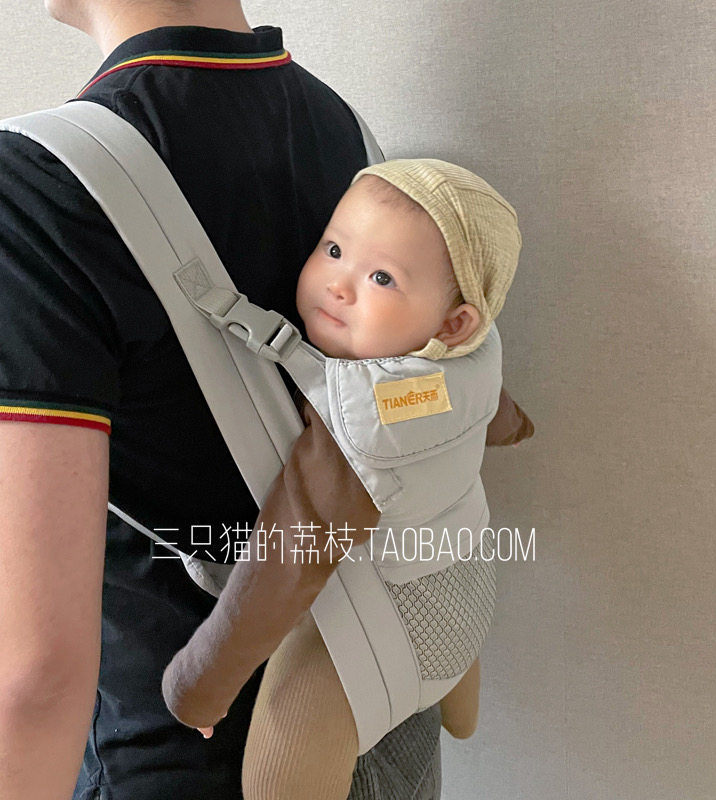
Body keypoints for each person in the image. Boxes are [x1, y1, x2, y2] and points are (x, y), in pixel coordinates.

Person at [0, 2, 450, 798]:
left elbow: (34, 677)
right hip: (388, 728)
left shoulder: (33, 187)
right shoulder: (348, 134)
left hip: (181, 762)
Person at [160, 159, 534, 799]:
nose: (337, 284)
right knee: (456, 705)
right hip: (466, 592)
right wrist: (520, 428)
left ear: (454, 324)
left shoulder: (362, 427)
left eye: (381, 277)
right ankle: (461, 712)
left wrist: (199, 689)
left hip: (388, 634)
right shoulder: (474, 360)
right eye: (334, 250)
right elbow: (497, 417)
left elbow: (283, 566)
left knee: (273, 780)